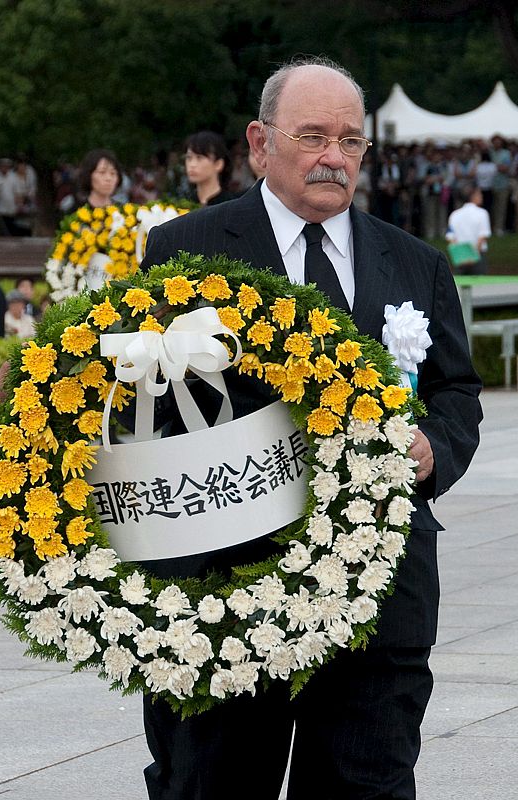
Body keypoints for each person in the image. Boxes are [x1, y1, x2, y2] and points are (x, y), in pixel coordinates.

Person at [139, 58, 483, 800]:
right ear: (261, 143)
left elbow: (456, 391)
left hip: (382, 603)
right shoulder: (183, 253)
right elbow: (146, 407)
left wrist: (434, 450)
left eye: (352, 140)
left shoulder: (416, 264)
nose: (334, 156)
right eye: (314, 136)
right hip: (226, 604)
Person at [446, 186, 491, 274]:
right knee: (480, 286)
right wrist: (473, 256)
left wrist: (460, 256)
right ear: (473, 196)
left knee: (460, 286)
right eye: (479, 194)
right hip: (478, 257)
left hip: (460, 258)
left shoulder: (454, 215)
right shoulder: (482, 213)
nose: (481, 196)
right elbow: (482, 237)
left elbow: (450, 237)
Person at [183, 130, 235, 205]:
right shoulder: (185, 203)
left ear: (218, 164)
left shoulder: (230, 205)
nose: (192, 164)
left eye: (199, 158)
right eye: (189, 158)